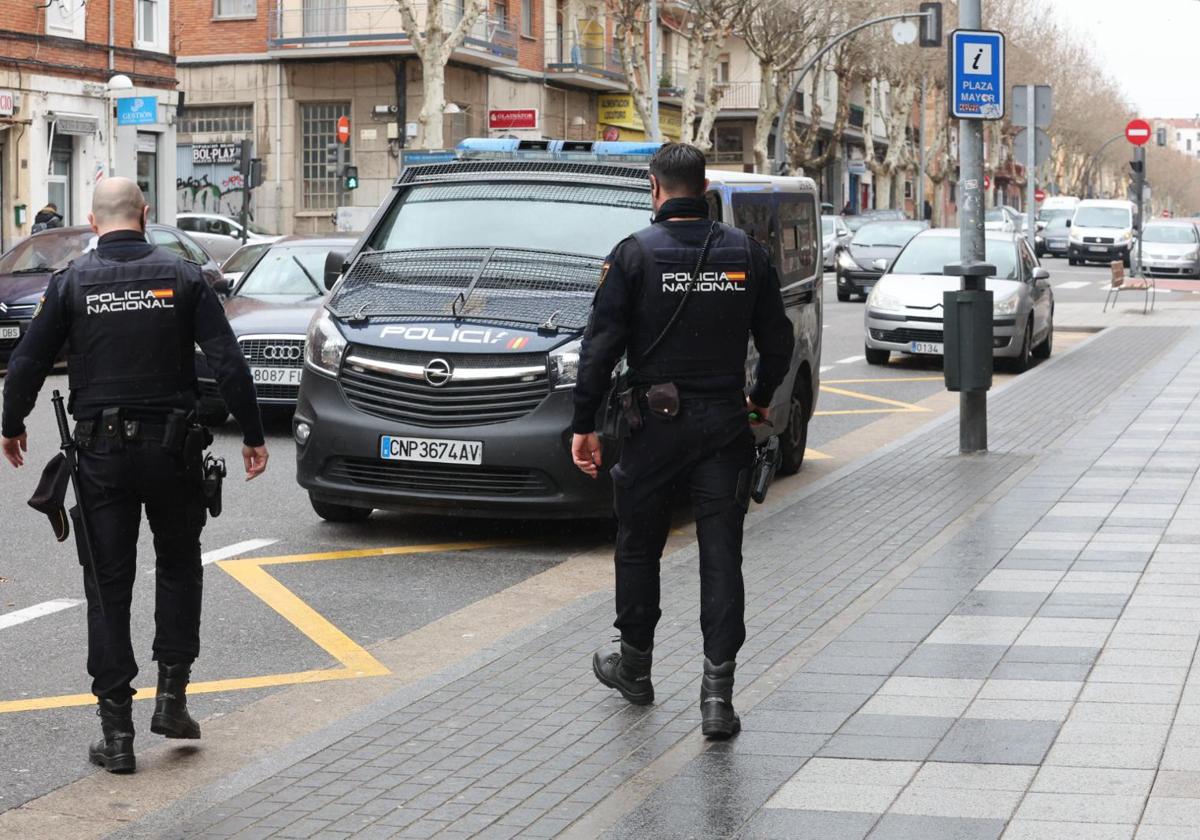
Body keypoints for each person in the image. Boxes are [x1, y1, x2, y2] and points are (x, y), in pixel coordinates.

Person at [0, 178, 269, 774]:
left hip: (100, 459)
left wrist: (11, 424)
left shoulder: (70, 283)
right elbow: (226, 360)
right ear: (144, 216)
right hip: (173, 452)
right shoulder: (182, 277)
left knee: (108, 586)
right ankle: (172, 700)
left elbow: (26, 362)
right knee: (178, 567)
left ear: (95, 223)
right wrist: (252, 435)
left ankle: (117, 735)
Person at [571, 143, 794, 739]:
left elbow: (599, 348)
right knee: (722, 558)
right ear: (703, 188)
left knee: (639, 545)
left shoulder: (635, 256)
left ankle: (636, 668)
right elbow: (779, 340)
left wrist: (583, 423)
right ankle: (717, 698)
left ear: (656, 187)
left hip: (652, 429)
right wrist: (760, 393)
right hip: (724, 427)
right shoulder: (746, 252)